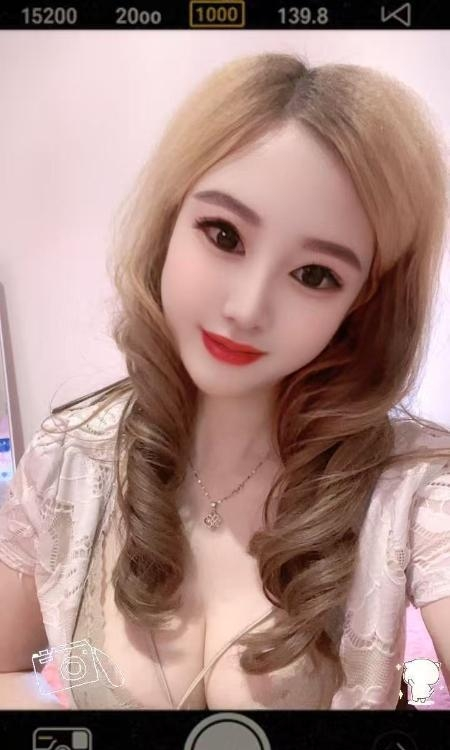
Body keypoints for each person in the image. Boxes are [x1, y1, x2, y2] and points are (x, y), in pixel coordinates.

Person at [0, 51, 450, 711]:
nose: (246, 307)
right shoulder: (69, 456)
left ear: (361, 304)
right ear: (170, 221)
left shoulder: (414, 489)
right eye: (224, 235)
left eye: (315, 274)